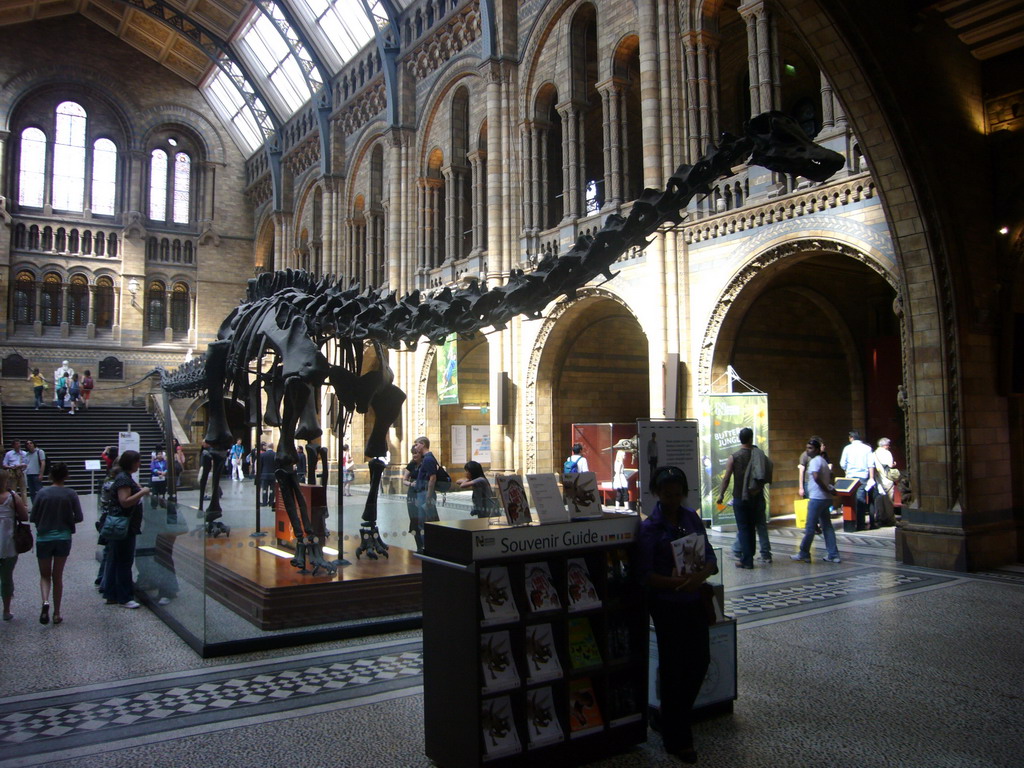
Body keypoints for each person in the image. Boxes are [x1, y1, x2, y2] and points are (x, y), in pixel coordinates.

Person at [636, 466, 718, 764]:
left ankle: (670, 717)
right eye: (666, 494)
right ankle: (678, 736)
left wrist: (700, 575)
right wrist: (677, 583)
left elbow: (709, 556)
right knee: (674, 667)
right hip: (667, 604)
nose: (672, 500)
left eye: (677, 494)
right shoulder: (650, 528)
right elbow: (645, 575)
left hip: (693, 599)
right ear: (657, 493)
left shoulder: (691, 517)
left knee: (699, 661)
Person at [30, 462, 83, 625]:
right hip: (63, 538)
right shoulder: (71, 494)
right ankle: (57, 613)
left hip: (44, 538)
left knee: (45, 575)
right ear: (66, 476)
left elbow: (33, 517)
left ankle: (45, 601)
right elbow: (79, 517)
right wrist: (67, 521)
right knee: (57, 576)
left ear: (50, 476)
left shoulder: (42, 493)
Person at [101, 450, 150, 609]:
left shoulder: (125, 477)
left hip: (124, 525)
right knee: (124, 561)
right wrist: (142, 492)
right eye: (137, 461)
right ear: (131, 462)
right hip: (124, 526)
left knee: (116, 559)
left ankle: (111, 594)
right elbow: (125, 501)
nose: (139, 464)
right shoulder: (123, 479)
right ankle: (124, 597)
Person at [716, 427, 771, 569]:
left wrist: (721, 494)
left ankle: (747, 560)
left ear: (739, 439)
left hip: (740, 497)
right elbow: (767, 470)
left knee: (744, 528)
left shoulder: (734, 457)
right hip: (756, 496)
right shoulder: (759, 455)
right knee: (751, 528)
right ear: (751, 438)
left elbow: (727, 478)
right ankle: (749, 556)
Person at [792, 438, 841, 563]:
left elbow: (816, 477)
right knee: (827, 526)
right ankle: (833, 554)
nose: (808, 450)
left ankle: (804, 552)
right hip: (825, 499)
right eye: (807, 447)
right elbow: (828, 477)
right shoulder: (823, 461)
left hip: (817, 498)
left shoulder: (814, 461)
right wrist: (829, 490)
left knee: (810, 527)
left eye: (810, 448)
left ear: (818, 449)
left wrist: (825, 489)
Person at [0, 471, 30, 621]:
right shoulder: (13, 497)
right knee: (6, 577)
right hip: (8, 544)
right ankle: (6, 610)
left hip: (8, 544)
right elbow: (24, 516)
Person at [840, 430, 876, 529]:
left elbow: (842, 463)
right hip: (862, 477)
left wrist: (847, 470)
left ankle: (851, 522)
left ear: (851, 438)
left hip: (850, 477)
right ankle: (860, 523)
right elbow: (871, 464)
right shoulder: (867, 448)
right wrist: (871, 478)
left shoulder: (847, 448)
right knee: (861, 500)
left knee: (850, 500)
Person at [414, 436, 440, 542]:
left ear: (423, 444)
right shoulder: (427, 458)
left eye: (416, 444)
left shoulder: (428, 459)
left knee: (425, 522)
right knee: (425, 521)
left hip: (425, 494)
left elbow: (432, 478)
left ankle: (428, 545)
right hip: (423, 493)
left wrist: (428, 497)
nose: (415, 447)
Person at [873, 437, 898, 527]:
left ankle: (880, 518)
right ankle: (890, 519)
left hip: (879, 479)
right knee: (889, 500)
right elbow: (890, 465)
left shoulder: (874, 453)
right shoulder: (887, 453)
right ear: (886, 445)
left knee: (880, 499)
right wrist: (894, 464)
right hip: (887, 478)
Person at [403, 445, 424, 551]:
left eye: (417, 453)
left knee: (422, 520)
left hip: (422, 494)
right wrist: (411, 484)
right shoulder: (411, 465)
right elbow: (404, 480)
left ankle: (425, 544)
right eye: (413, 453)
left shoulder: (425, 464)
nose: (415, 455)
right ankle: (419, 546)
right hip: (412, 494)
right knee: (414, 520)